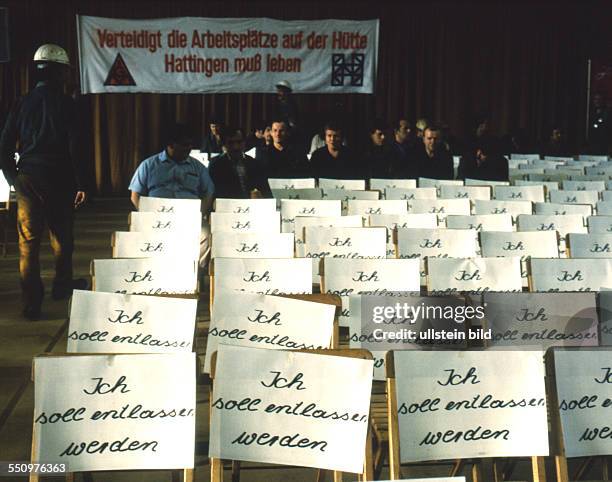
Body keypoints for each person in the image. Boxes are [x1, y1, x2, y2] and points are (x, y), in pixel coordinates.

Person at [0, 44, 87, 320]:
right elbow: (76, 148)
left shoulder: (21, 102)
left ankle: (31, 304)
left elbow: (3, 145)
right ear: (61, 72)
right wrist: (82, 183)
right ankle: (61, 287)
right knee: (61, 239)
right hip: (59, 180)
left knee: (28, 244)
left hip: (27, 179)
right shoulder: (68, 104)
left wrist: (14, 178)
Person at [129, 123, 215, 268]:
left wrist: (201, 213)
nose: (189, 148)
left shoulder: (198, 167)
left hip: (188, 217)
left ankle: (195, 272)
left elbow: (209, 192)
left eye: (190, 144)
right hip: (156, 217)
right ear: (170, 145)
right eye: (184, 145)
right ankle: (148, 270)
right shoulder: (149, 165)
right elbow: (135, 194)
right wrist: (145, 215)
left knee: (206, 234)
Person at [208, 126, 269, 198]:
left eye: (239, 142)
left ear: (244, 142)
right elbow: (211, 193)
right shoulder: (216, 165)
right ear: (224, 145)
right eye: (231, 143)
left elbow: (265, 192)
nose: (235, 147)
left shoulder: (254, 164)